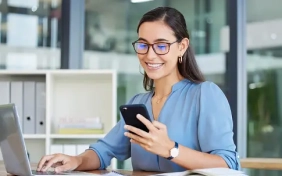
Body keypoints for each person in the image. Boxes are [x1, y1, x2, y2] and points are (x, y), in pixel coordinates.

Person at [37, 7, 240, 173]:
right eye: (143, 45)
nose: (150, 56)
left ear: (182, 46)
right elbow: (103, 151)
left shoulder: (205, 95)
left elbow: (228, 163)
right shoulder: (138, 103)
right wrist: (76, 161)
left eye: (161, 46)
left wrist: (171, 149)